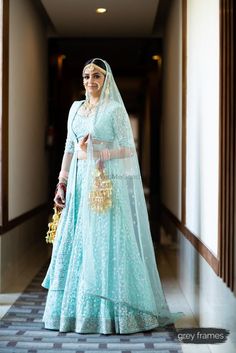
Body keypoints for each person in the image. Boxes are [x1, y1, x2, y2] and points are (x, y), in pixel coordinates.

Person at [41, 58, 184, 334]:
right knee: (78, 242)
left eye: (96, 76)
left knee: (105, 243)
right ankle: (76, 314)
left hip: (103, 185)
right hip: (80, 187)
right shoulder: (75, 110)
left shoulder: (114, 110)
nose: (90, 81)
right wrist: (62, 183)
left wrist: (98, 153)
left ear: (106, 80)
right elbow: (69, 149)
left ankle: (116, 314)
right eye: (85, 76)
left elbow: (128, 150)